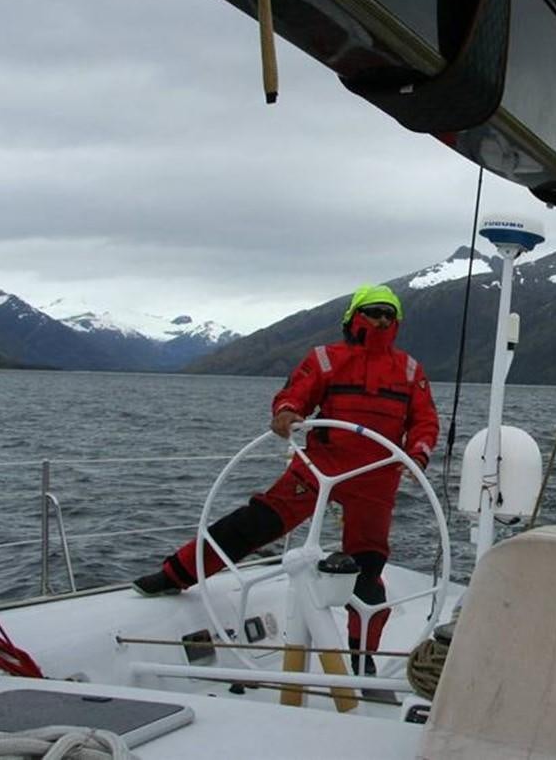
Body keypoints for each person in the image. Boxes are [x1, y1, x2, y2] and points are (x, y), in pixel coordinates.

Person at [132, 284, 439, 670]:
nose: (380, 320)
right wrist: (287, 412)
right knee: (254, 523)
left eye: (388, 315)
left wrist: (418, 453)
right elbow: (296, 393)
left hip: (376, 479)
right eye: (373, 312)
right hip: (319, 468)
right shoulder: (326, 359)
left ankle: (363, 660)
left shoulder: (410, 370)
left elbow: (425, 419)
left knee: (368, 570)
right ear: (353, 318)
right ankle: (174, 574)